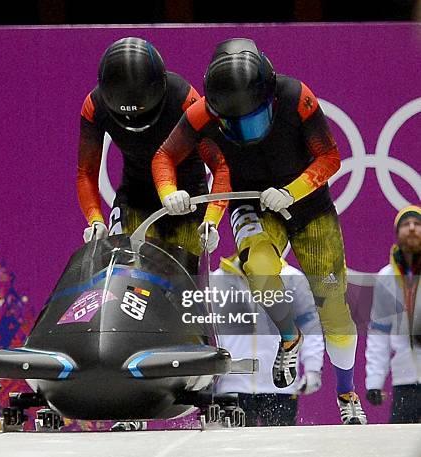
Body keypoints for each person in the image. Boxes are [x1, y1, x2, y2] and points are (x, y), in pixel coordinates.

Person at [152, 37, 366, 424]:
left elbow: (330, 156)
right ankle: (289, 336)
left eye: (252, 118)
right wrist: (170, 192)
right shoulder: (200, 115)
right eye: (232, 123)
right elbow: (165, 156)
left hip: (308, 204)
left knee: (333, 306)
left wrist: (292, 191)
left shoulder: (297, 96)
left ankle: (346, 393)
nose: (244, 131)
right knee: (261, 270)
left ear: (269, 97)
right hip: (250, 203)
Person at [76, 37, 214, 256]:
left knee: (181, 281)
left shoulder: (183, 97)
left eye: (143, 111)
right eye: (127, 115)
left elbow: (218, 162)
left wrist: (210, 220)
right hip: (135, 194)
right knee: (119, 265)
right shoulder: (94, 106)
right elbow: (87, 172)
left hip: (187, 198)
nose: (135, 119)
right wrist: (95, 220)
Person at [214, 254, 324, 426]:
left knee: (282, 450)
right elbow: (205, 332)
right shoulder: (217, 280)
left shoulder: (292, 278)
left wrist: (313, 368)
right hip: (232, 387)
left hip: (280, 385)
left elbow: (310, 325)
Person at [365, 205, 420, 423]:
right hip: (404, 380)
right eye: (406, 225)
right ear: (397, 235)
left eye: (417, 224)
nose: (413, 228)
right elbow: (379, 333)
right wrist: (374, 382)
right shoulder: (386, 277)